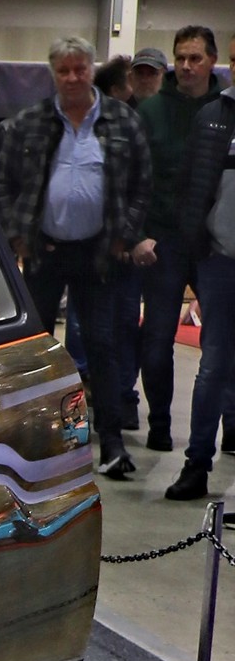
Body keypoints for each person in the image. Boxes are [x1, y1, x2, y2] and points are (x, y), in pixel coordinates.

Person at [0, 35, 151, 481]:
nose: (72, 78)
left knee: (101, 345)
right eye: (63, 70)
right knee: (35, 349)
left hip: (99, 253)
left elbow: (142, 183)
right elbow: (2, 183)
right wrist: (17, 235)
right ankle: (32, 439)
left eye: (80, 69)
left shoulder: (122, 121)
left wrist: (124, 235)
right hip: (43, 251)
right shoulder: (29, 122)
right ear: (53, 74)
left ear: (91, 69)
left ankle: (112, 443)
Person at [132, 25, 224, 451]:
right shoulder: (150, 112)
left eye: (195, 58)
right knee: (156, 341)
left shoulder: (227, 110)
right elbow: (134, 179)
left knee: (222, 343)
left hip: (216, 245)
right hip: (164, 241)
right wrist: (139, 235)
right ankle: (160, 425)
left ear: (212, 61)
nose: (186, 66)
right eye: (180, 58)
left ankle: (229, 428)